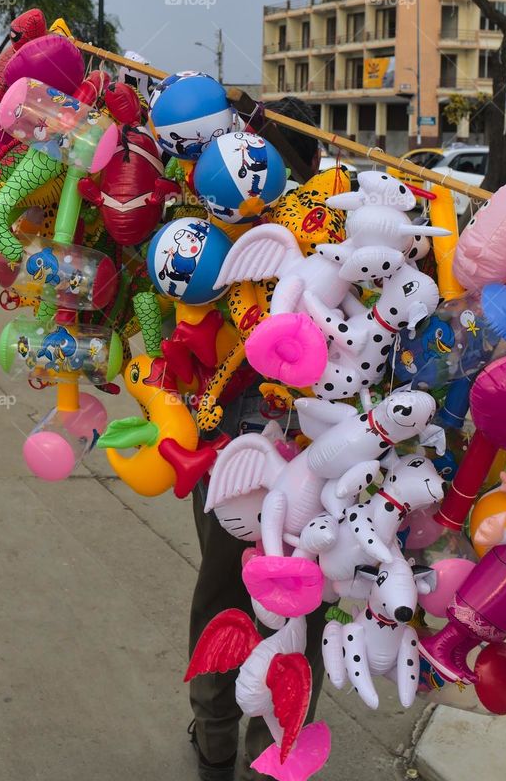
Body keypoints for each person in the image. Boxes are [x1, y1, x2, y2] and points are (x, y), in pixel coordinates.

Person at [187, 96, 326, 781]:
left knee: (223, 593)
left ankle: (215, 735)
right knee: (303, 611)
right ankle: (276, 747)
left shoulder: (222, 230)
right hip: (319, 466)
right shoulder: (338, 231)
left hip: (237, 452)